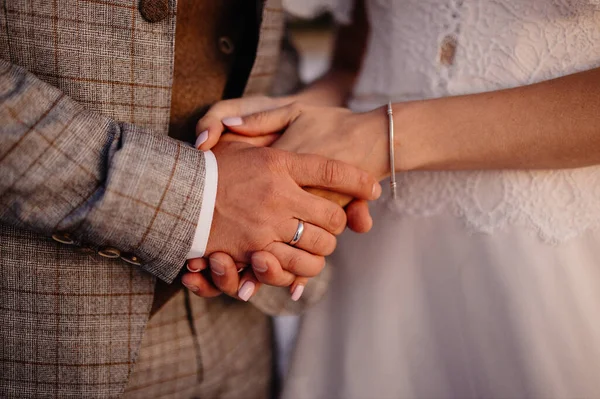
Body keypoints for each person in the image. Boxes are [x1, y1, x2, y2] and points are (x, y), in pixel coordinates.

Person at [184, 0, 600, 397]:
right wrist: (287, 126)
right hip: (374, 238)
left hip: (539, 244)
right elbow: (357, 61)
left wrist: (378, 139)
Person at [0, 1, 382, 398]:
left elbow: (268, 32)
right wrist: (199, 198)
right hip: (45, 327)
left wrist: (284, 174)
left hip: (240, 329)